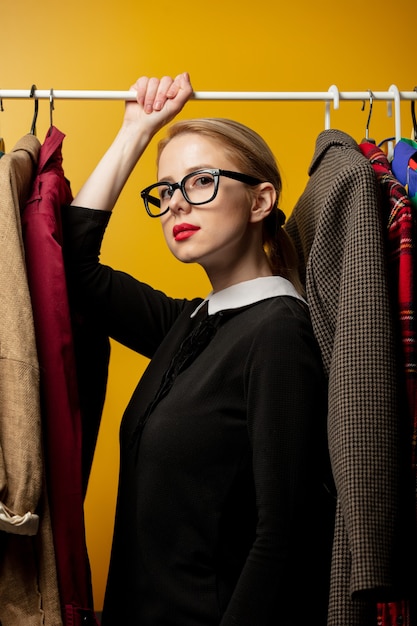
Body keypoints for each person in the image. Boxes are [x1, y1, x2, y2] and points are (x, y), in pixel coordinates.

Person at [63, 72, 335, 625]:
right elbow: (70, 267)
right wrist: (137, 132)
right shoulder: (187, 322)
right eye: (166, 189)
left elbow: (282, 538)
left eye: (201, 181)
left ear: (261, 200)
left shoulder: (279, 332)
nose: (178, 204)